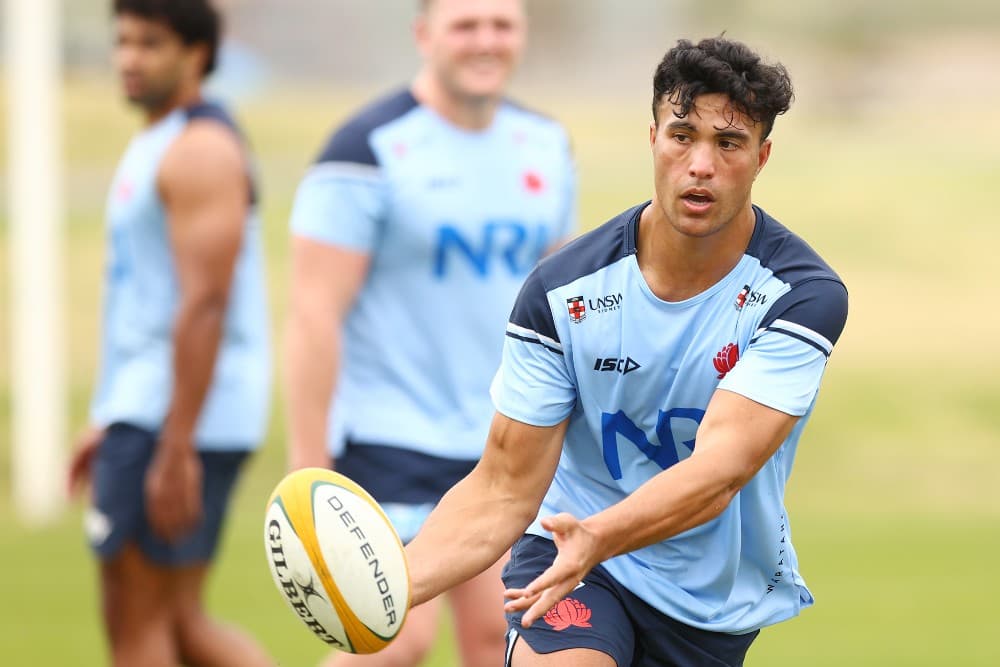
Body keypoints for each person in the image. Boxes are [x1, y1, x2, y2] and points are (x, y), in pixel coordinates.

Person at [403, 36, 850, 667]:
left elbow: (718, 472)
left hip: (708, 601)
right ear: (653, 139)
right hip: (568, 554)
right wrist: (392, 586)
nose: (701, 164)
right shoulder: (562, 292)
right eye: (682, 135)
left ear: (761, 157)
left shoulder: (799, 296)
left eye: (728, 143)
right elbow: (503, 487)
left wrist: (600, 537)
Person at [284, 0, 576, 664]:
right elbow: (311, 314)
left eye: (501, 25)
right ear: (424, 34)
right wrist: (307, 470)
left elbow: (561, 305)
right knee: (389, 636)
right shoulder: (366, 149)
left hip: (505, 439)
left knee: (498, 637)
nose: (486, 40)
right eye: (466, 25)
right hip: (390, 437)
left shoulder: (548, 144)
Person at [65, 2, 272, 666]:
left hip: (179, 420)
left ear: (196, 53)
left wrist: (174, 442)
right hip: (155, 409)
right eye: (122, 41)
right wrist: (110, 415)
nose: (129, 57)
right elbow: (145, 302)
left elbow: (206, 304)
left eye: (149, 43)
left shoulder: (202, 149)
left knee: (136, 624)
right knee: (179, 622)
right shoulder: (160, 138)